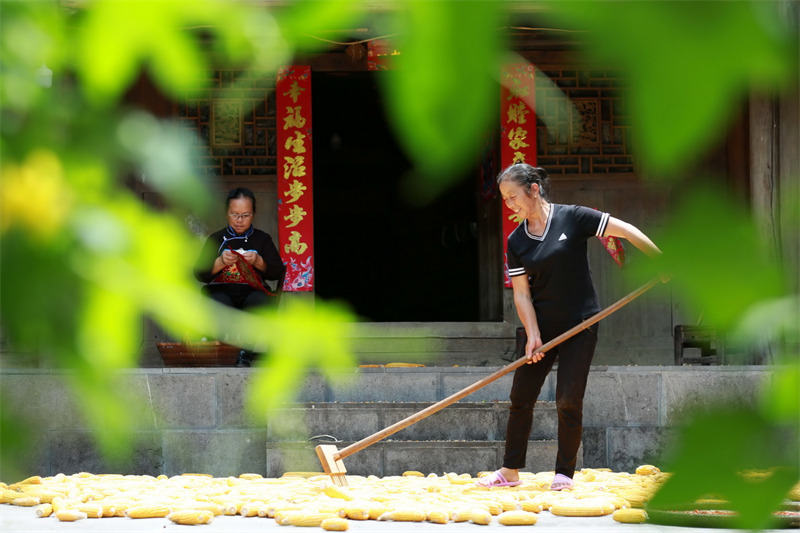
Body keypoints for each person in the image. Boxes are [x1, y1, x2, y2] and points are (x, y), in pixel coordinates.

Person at [477, 164, 662, 490]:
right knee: (521, 397)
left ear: (534, 189)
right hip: (542, 327)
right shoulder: (517, 240)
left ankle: (564, 472)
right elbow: (521, 295)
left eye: (512, 196)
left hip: (581, 323)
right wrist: (533, 335)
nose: (509, 205)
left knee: (568, 399)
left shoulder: (573, 217)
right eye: (504, 200)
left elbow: (627, 230)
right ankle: (510, 472)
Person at [194, 187, 284, 367]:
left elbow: (277, 272)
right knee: (217, 303)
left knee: (259, 301)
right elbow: (199, 274)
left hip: (252, 291)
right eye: (235, 215)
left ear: (253, 214)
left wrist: (258, 261)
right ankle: (221, 351)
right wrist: (219, 262)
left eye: (245, 215)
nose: (240, 220)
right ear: (227, 213)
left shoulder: (262, 239)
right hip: (221, 291)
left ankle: (245, 351)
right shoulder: (217, 238)